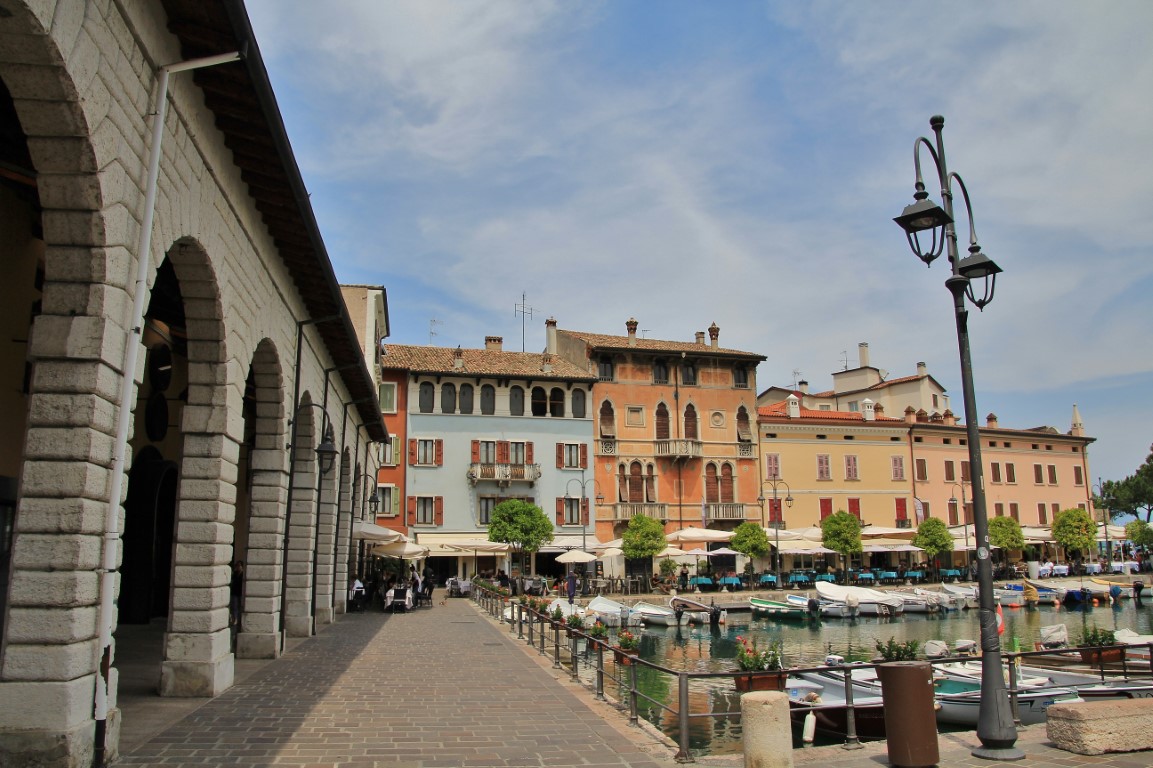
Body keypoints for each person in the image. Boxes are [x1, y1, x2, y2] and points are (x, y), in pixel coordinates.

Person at [229, 560, 245, 628]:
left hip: (240, 593)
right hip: (234, 592)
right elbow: (232, 582)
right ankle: (235, 619)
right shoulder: (234, 573)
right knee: (234, 607)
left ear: (242, 566)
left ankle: (239, 619)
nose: (238, 567)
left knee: (240, 607)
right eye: (237, 566)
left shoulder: (243, 574)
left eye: (239, 566)